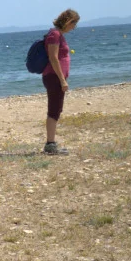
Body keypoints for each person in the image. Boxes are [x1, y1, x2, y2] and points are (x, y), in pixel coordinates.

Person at [42, 9, 80, 155]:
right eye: (74, 24)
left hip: (55, 77)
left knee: (56, 109)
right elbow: (53, 58)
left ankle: (51, 144)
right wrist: (62, 80)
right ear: (68, 21)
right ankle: (50, 145)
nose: (74, 28)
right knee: (54, 110)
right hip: (54, 77)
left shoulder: (57, 34)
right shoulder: (55, 34)